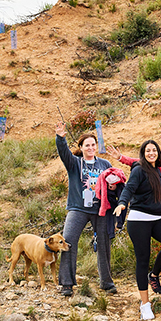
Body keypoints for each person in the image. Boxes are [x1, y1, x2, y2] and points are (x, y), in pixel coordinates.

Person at [114, 140, 161, 321]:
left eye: (154, 150)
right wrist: (122, 203)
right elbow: (129, 188)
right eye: (148, 151)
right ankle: (145, 304)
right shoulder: (139, 170)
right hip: (139, 219)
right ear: (143, 153)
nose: (151, 153)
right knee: (143, 260)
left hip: (158, 218)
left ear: (158, 153)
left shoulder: (158, 170)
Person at [54, 121, 115, 297]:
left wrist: (113, 188)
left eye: (93, 145)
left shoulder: (104, 164)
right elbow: (64, 153)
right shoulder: (75, 163)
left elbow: (113, 182)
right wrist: (60, 138)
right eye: (86, 145)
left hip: (100, 209)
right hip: (77, 208)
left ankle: (107, 282)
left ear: (96, 146)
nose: (90, 148)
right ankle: (67, 284)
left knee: (103, 244)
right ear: (81, 147)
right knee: (68, 242)